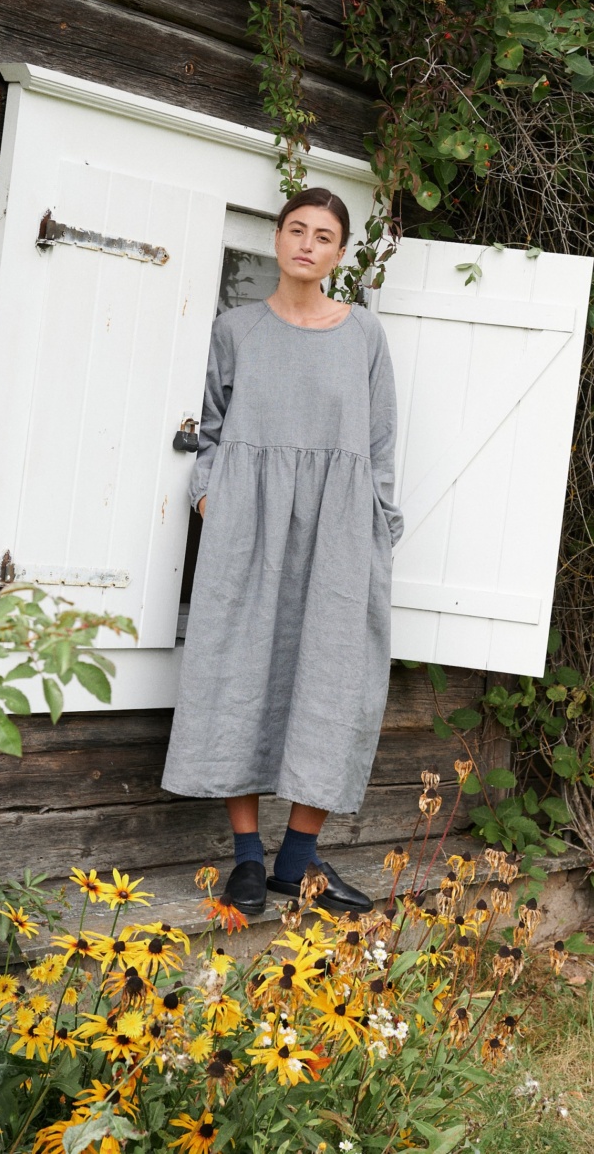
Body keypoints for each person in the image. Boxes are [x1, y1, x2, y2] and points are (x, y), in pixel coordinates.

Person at [161, 186, 404, 915]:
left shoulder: (365, 335)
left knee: (334, 680)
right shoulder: (235, 329)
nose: (306, 244)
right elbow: (206, 426)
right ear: (276, 239)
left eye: (323, 236)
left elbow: (383, 443)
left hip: (338, 530)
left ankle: (298, 859)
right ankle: (246, 857)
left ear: (338, 252)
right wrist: (211, 493)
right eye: (295, 230)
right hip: (250, 522)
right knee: (238, 668)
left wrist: (379, 526)